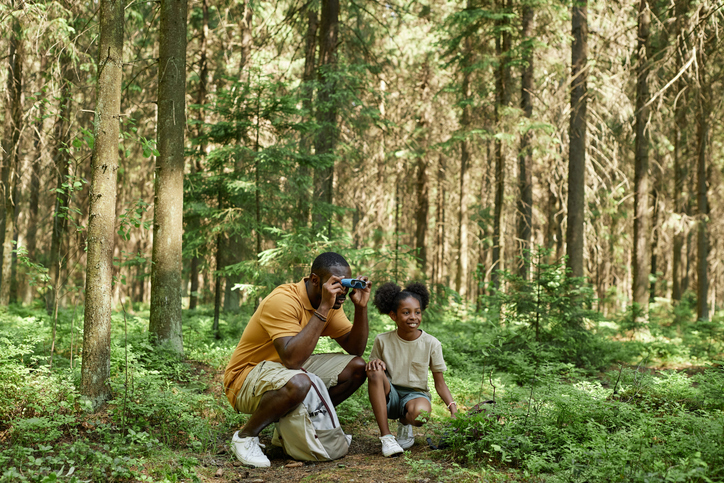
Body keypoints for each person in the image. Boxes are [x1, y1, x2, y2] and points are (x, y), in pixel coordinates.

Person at [224, 252, 370, 467]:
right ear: (314, 280)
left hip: (288, 369)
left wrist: (361, 308)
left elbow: (355, 348)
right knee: (300, 381)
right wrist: (323, 309)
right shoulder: (283, 300)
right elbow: (292, 361)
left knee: (357, 368)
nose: (342, 292)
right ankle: (245, 437)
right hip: (246, 378)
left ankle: (292, 428)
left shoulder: (330, 302)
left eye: (346, 285)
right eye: (336, 284)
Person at [366, 282, 457, 457]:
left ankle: (404, 422)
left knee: (420, 415)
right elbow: (372, 370)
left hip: (415, 396)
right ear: (393, 315)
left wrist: (453, 409)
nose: (413, 317)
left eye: (417, 312)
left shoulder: (432, 343)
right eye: (406, 312)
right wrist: (375, 364)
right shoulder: (382, 340)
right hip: (389, 394)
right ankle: (386, 437)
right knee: (375, 370)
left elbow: (440, 383)